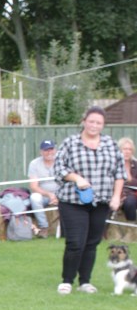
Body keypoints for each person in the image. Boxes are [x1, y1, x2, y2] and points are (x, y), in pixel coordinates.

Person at [54, 106, 127, 294]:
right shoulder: (70, 143)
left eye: (99, 123)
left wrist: (116, 196)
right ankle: (67, 281)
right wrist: (76, 178)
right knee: (75, 243)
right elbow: (59, 168)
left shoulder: (110, 144)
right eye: (91, 121)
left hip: (101, 202)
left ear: (103, 125)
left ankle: (85, 282)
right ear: (84, 121)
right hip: (72, 202)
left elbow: (120, 173)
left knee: (92, 243)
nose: (94, 125)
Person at [28, 139, 59, 237]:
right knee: (34, 197)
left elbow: (68, 181)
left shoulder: (62, 161)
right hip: (44, 196)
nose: (49, 152)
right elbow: (34, 186)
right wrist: (49, 195)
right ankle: (43, 227)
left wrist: (58, 196)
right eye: (46, 150)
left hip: (61, 194)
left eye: (51, 149)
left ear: (55, 150)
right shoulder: (34, 164)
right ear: (41, 152)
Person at [117, 137, 137, 222]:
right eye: (125, 149)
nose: (127, 152)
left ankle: (131, 225)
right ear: (119, 150)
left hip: (132, 194)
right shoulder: (113, 163)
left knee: (130, 202)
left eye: (130, 149)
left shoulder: (135, 164)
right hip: (115, 194)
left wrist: (130, 179)